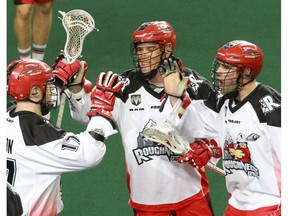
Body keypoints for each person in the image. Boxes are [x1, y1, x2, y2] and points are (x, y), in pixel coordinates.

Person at [70, 21, 221, 215]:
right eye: (139, 50)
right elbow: (87, 116)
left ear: (167, 49)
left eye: (150, 49)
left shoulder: (195, 86)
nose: (142, 56)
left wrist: (210, 147)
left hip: (191, 197)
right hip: (147, 201)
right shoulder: (122, 86)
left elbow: (221, 127)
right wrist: (76, 91)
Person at [160, 40, 281, 215]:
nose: (218, 72)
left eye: (226, 67)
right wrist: (174, 95)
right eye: (219, 65)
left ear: (246, 72)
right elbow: (187, 125)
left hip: (270, 205)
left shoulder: (272, 111)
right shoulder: (222, 102)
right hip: (236, 204)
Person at [6, 58, 120, 216]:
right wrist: (101, 111)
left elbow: (33, 112)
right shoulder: (38, 136)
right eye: (49, 85)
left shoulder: (8, 115)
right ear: (34, 92)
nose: (53, 90)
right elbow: (89, 153)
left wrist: (62, 81)